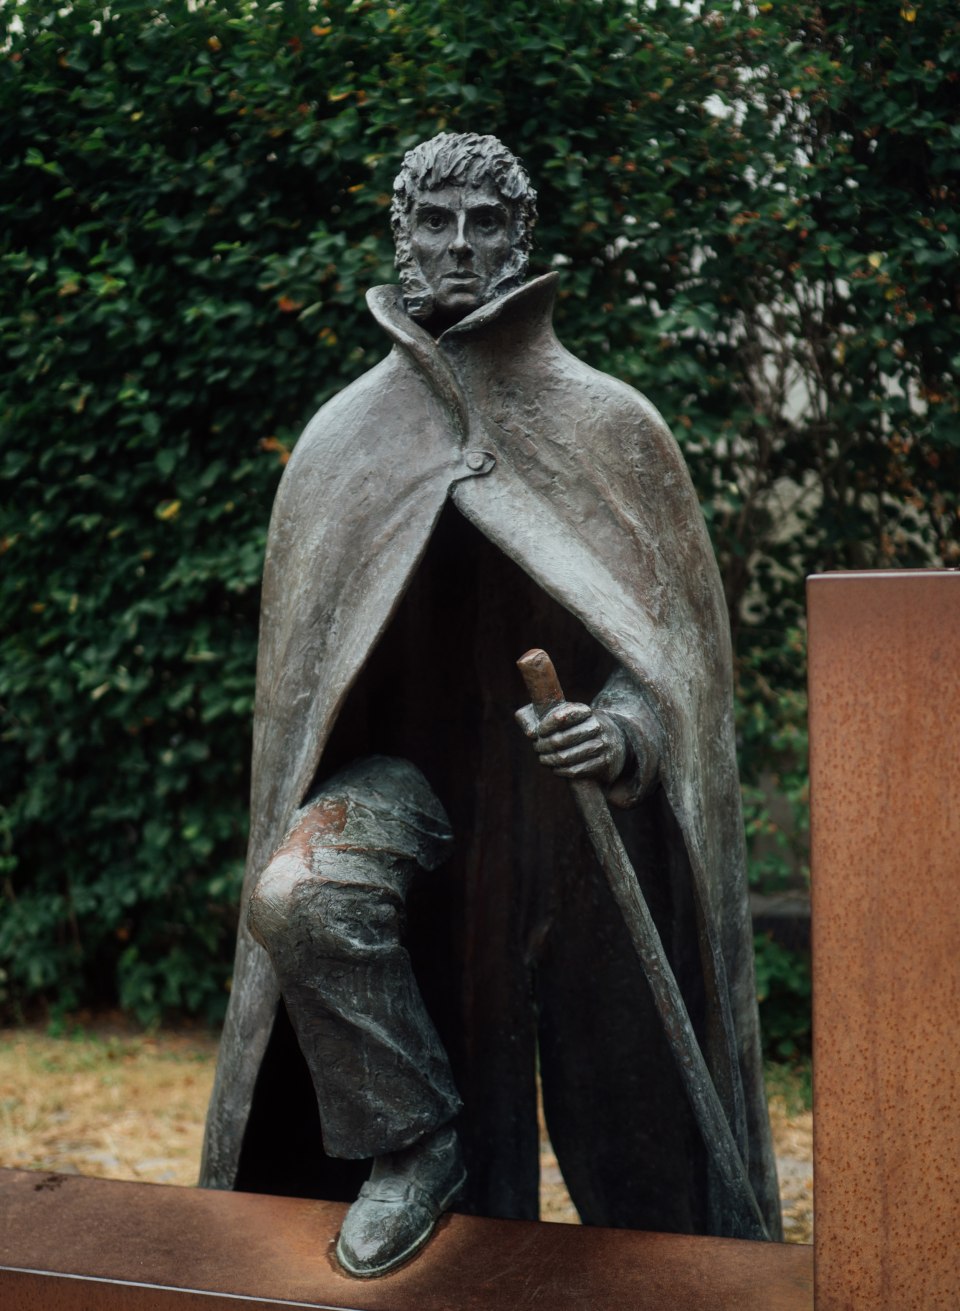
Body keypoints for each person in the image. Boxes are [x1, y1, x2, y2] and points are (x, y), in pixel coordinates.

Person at [200, 132, 781, 1277]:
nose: (459, 247)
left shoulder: (611, 425)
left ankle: (670, 1263)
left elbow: (672, 656)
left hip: (572, 808)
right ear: (400, 240)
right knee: (300, 900)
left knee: (639, 1119)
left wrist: (622, 731)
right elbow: (304, 693)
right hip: (400, 784)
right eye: (435, 224)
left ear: (522, 240)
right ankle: (414, 1141)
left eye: (484, 225)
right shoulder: (340, 442)